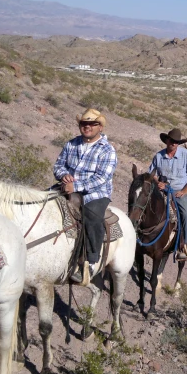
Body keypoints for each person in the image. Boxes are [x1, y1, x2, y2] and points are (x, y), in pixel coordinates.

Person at [53, 108, 117, 284]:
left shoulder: (107, 150)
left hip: (95, 193)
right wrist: (63, 175)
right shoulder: (71, 144)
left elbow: (102, 178)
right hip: (68, 188)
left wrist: (76, 186)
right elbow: (59, 165)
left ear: (100, 127)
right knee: (43, 202)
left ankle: (90, 260)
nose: (87, 126)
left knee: (92, 216)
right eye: (84, 123)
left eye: (92, 124)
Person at [149, 128, 187, 261]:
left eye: (176, 142)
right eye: (171, 140)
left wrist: (185, 190)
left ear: (178, 143)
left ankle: (182, 245)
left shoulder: (186, 155)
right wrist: (158, 182)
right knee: (142, 205)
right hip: (161, 190)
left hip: (178, 192)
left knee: (186, 214)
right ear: (167, 140)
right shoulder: (159, 156)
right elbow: (151, 174)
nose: (173, 143)